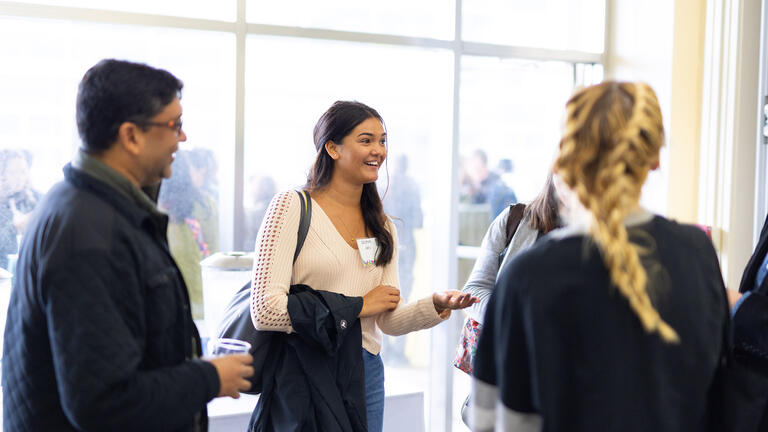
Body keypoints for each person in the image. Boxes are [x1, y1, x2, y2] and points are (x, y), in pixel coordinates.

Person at [2, 59, 254, 431]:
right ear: (131, 136)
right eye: (174, 125)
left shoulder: (89, 206)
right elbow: (103, 401)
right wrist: (209, 378)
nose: (182, 139)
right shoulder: (88, 230)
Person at [471, 81, 729, 431]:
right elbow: (718, 394)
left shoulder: (526, 275)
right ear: (654, 157)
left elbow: (491, 419)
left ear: (570, 154)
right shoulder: (698, 254)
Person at [249, 100, 477, 432]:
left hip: (366, 370)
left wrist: (435, 305)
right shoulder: (291, 206)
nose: (379, 151)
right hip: (306, 368)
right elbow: (265, 310)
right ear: (332, 147)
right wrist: (358, 306)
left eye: (383, 140)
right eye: (366, 139)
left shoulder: (382, 227)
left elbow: (386, 320)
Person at [380, 153, 423, 366]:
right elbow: (418, 219)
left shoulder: (382, 186)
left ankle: (385, 349)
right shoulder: (412, 187)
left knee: (383, 295)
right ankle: (398, 351)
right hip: (405, 247)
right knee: (401, 296)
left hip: (384, 246)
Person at [159, 150, 211, 320]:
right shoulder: (205, 206)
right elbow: (213, 254)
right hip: (201, 303)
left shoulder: (153, 210)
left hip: (166, 305)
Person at [0, 149, 42, 270]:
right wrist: (14, 227)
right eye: (13, 172)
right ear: (2, 173)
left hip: (31, 270)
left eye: (23, 172)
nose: (19, 177)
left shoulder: (38, 199)